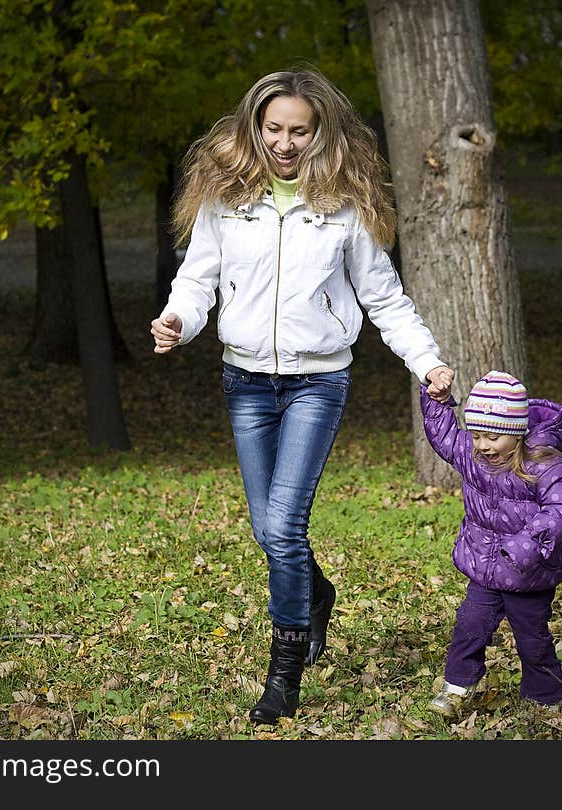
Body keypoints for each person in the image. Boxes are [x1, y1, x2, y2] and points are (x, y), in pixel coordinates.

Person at [150, 67, 453, 725]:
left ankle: (282, 676)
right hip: (246, 382)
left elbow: (384, 297)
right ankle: (316, 594)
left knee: (282, 526)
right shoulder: (224, 197)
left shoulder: (344, 206)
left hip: (319, 382)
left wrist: (426, 361)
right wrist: (180, 322)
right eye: (274, 129)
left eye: (299, 131)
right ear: (255, 127)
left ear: (321, 133)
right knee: (270, 530)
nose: (285, 143)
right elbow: (197, 281)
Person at [419, 370, 562, 717]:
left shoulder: (545, 463)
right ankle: (458, 687)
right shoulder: (473, 455)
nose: (483, 445)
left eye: (492, 436)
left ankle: (545, 695)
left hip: (529, 571)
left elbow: (561, 507)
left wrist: (528, 545)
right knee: (470, 625)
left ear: (516, 432)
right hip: (485, 568)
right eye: (477, 435)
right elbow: (444, 435)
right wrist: (436, 401)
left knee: (531, 637)